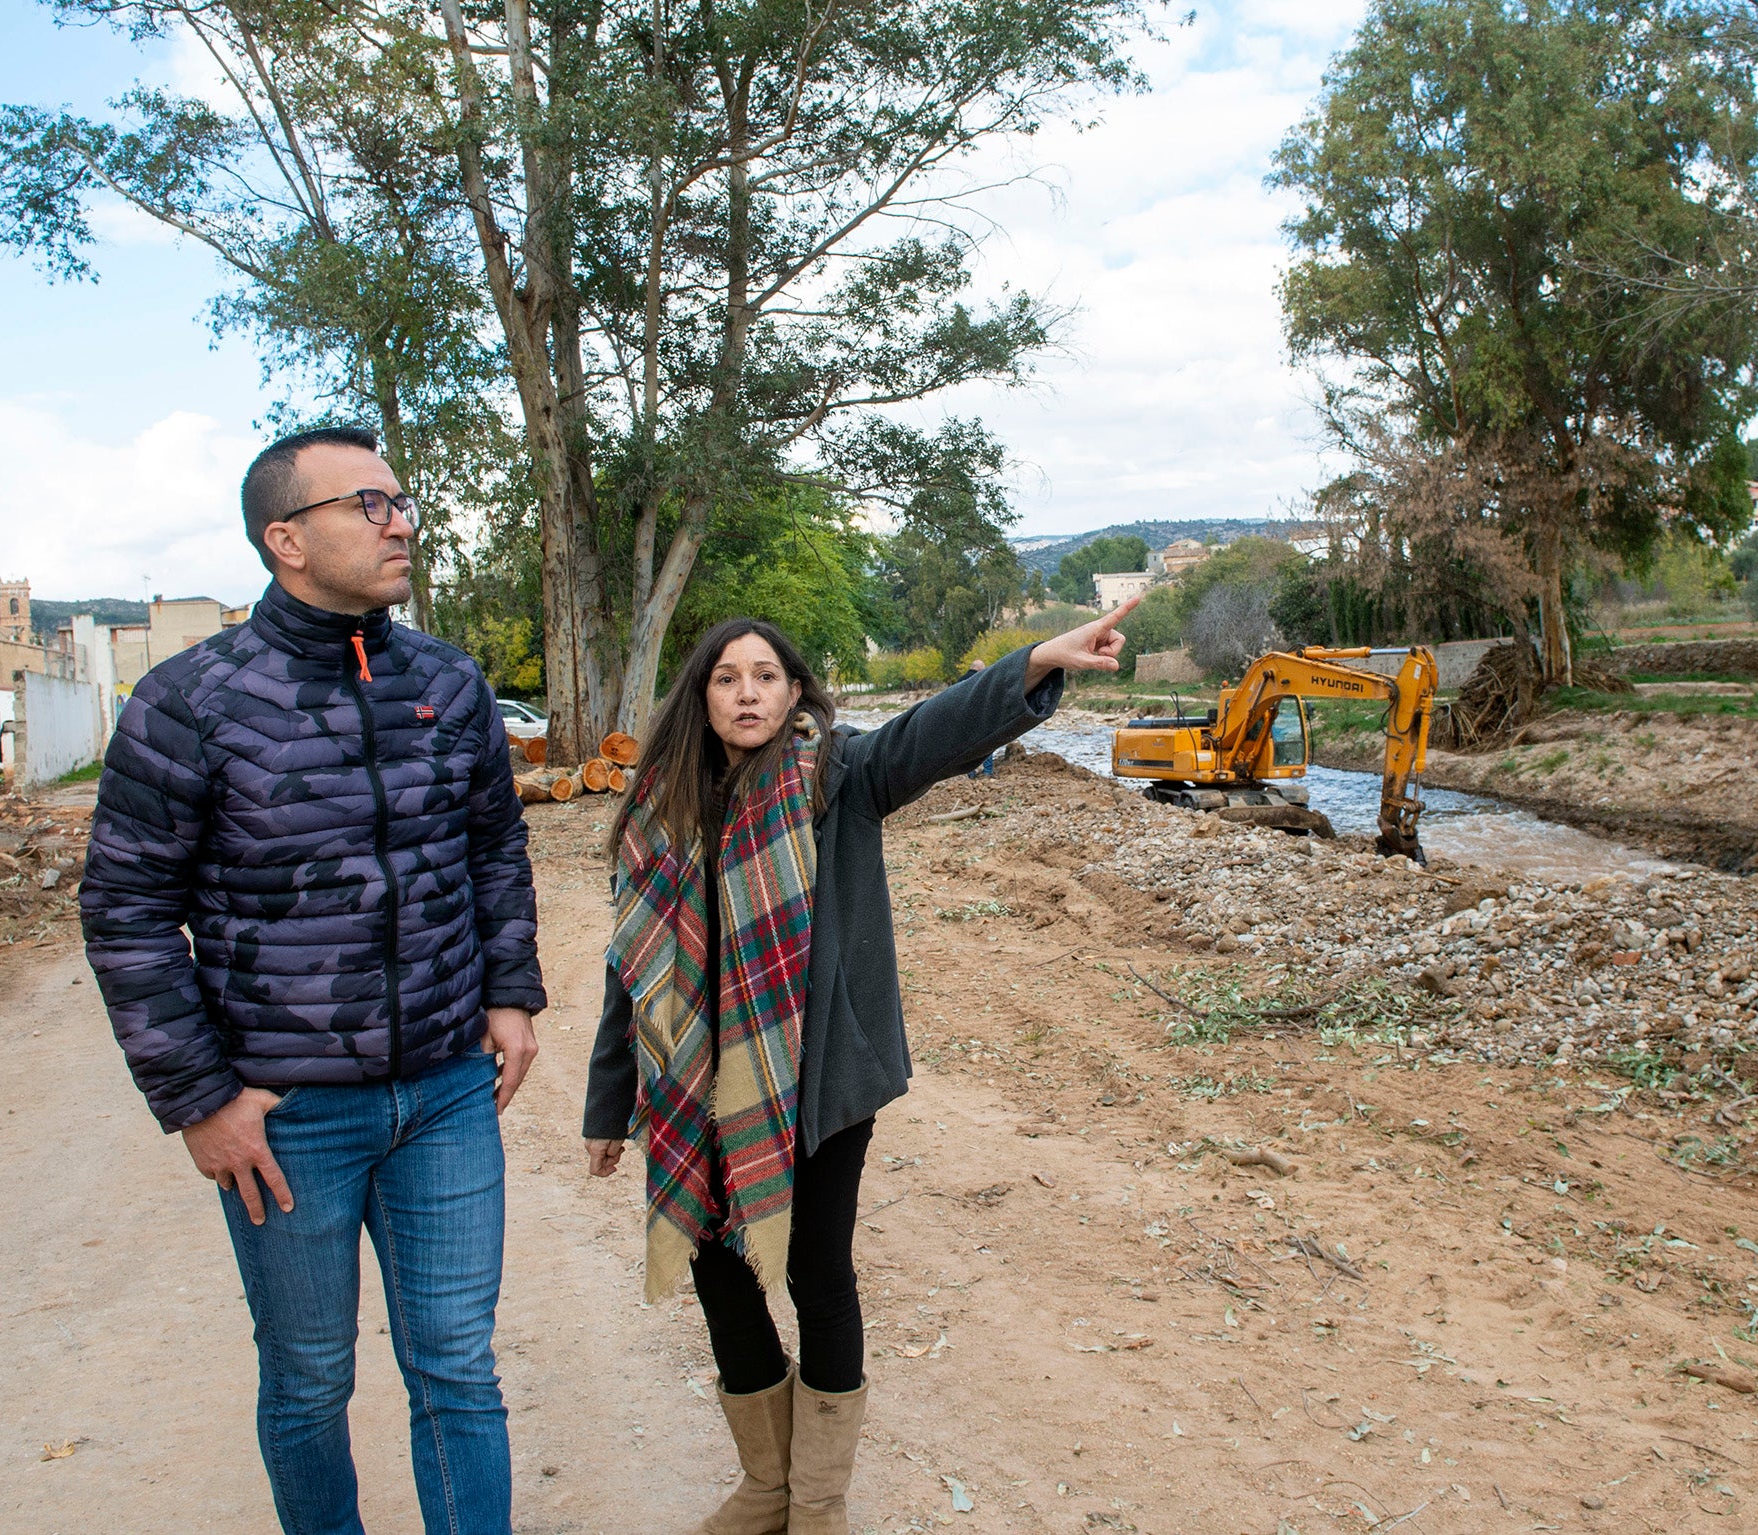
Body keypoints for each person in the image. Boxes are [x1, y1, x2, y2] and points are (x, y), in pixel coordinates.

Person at [582, 601, 1135, 1534]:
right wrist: (608, 1104)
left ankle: (820, 1502)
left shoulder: (838, 774)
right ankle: (768, 1485)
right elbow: (629, 966)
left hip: (819, 1077)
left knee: (812, 1269)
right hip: (694, 1084)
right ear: (701, 696)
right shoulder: (661, 803)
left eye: (766, 675)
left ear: (796, 689)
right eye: (727, 678)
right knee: (718, 1268)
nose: (747, 692)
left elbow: (936, 729)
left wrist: (1036, 661)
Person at [82, 425, 545, 1535]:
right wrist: (199, 1098)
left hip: (444, 1095)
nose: (401, 522)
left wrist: (511, 992)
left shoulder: (447, 679)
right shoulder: (188, 699)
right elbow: (126, 909)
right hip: (289, 1119)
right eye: (368, 504)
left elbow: (492, 849)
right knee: (307, 1378)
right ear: (285, 538)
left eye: (399, 500)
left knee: (457, 1370)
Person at [962, 659, 997, 778]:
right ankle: (987, 771)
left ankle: (970, 773)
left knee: (967, 747)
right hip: (981, 718)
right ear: (980, 669)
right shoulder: (982, 680)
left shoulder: (960, 681)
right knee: (988, 744)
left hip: (964, 719)